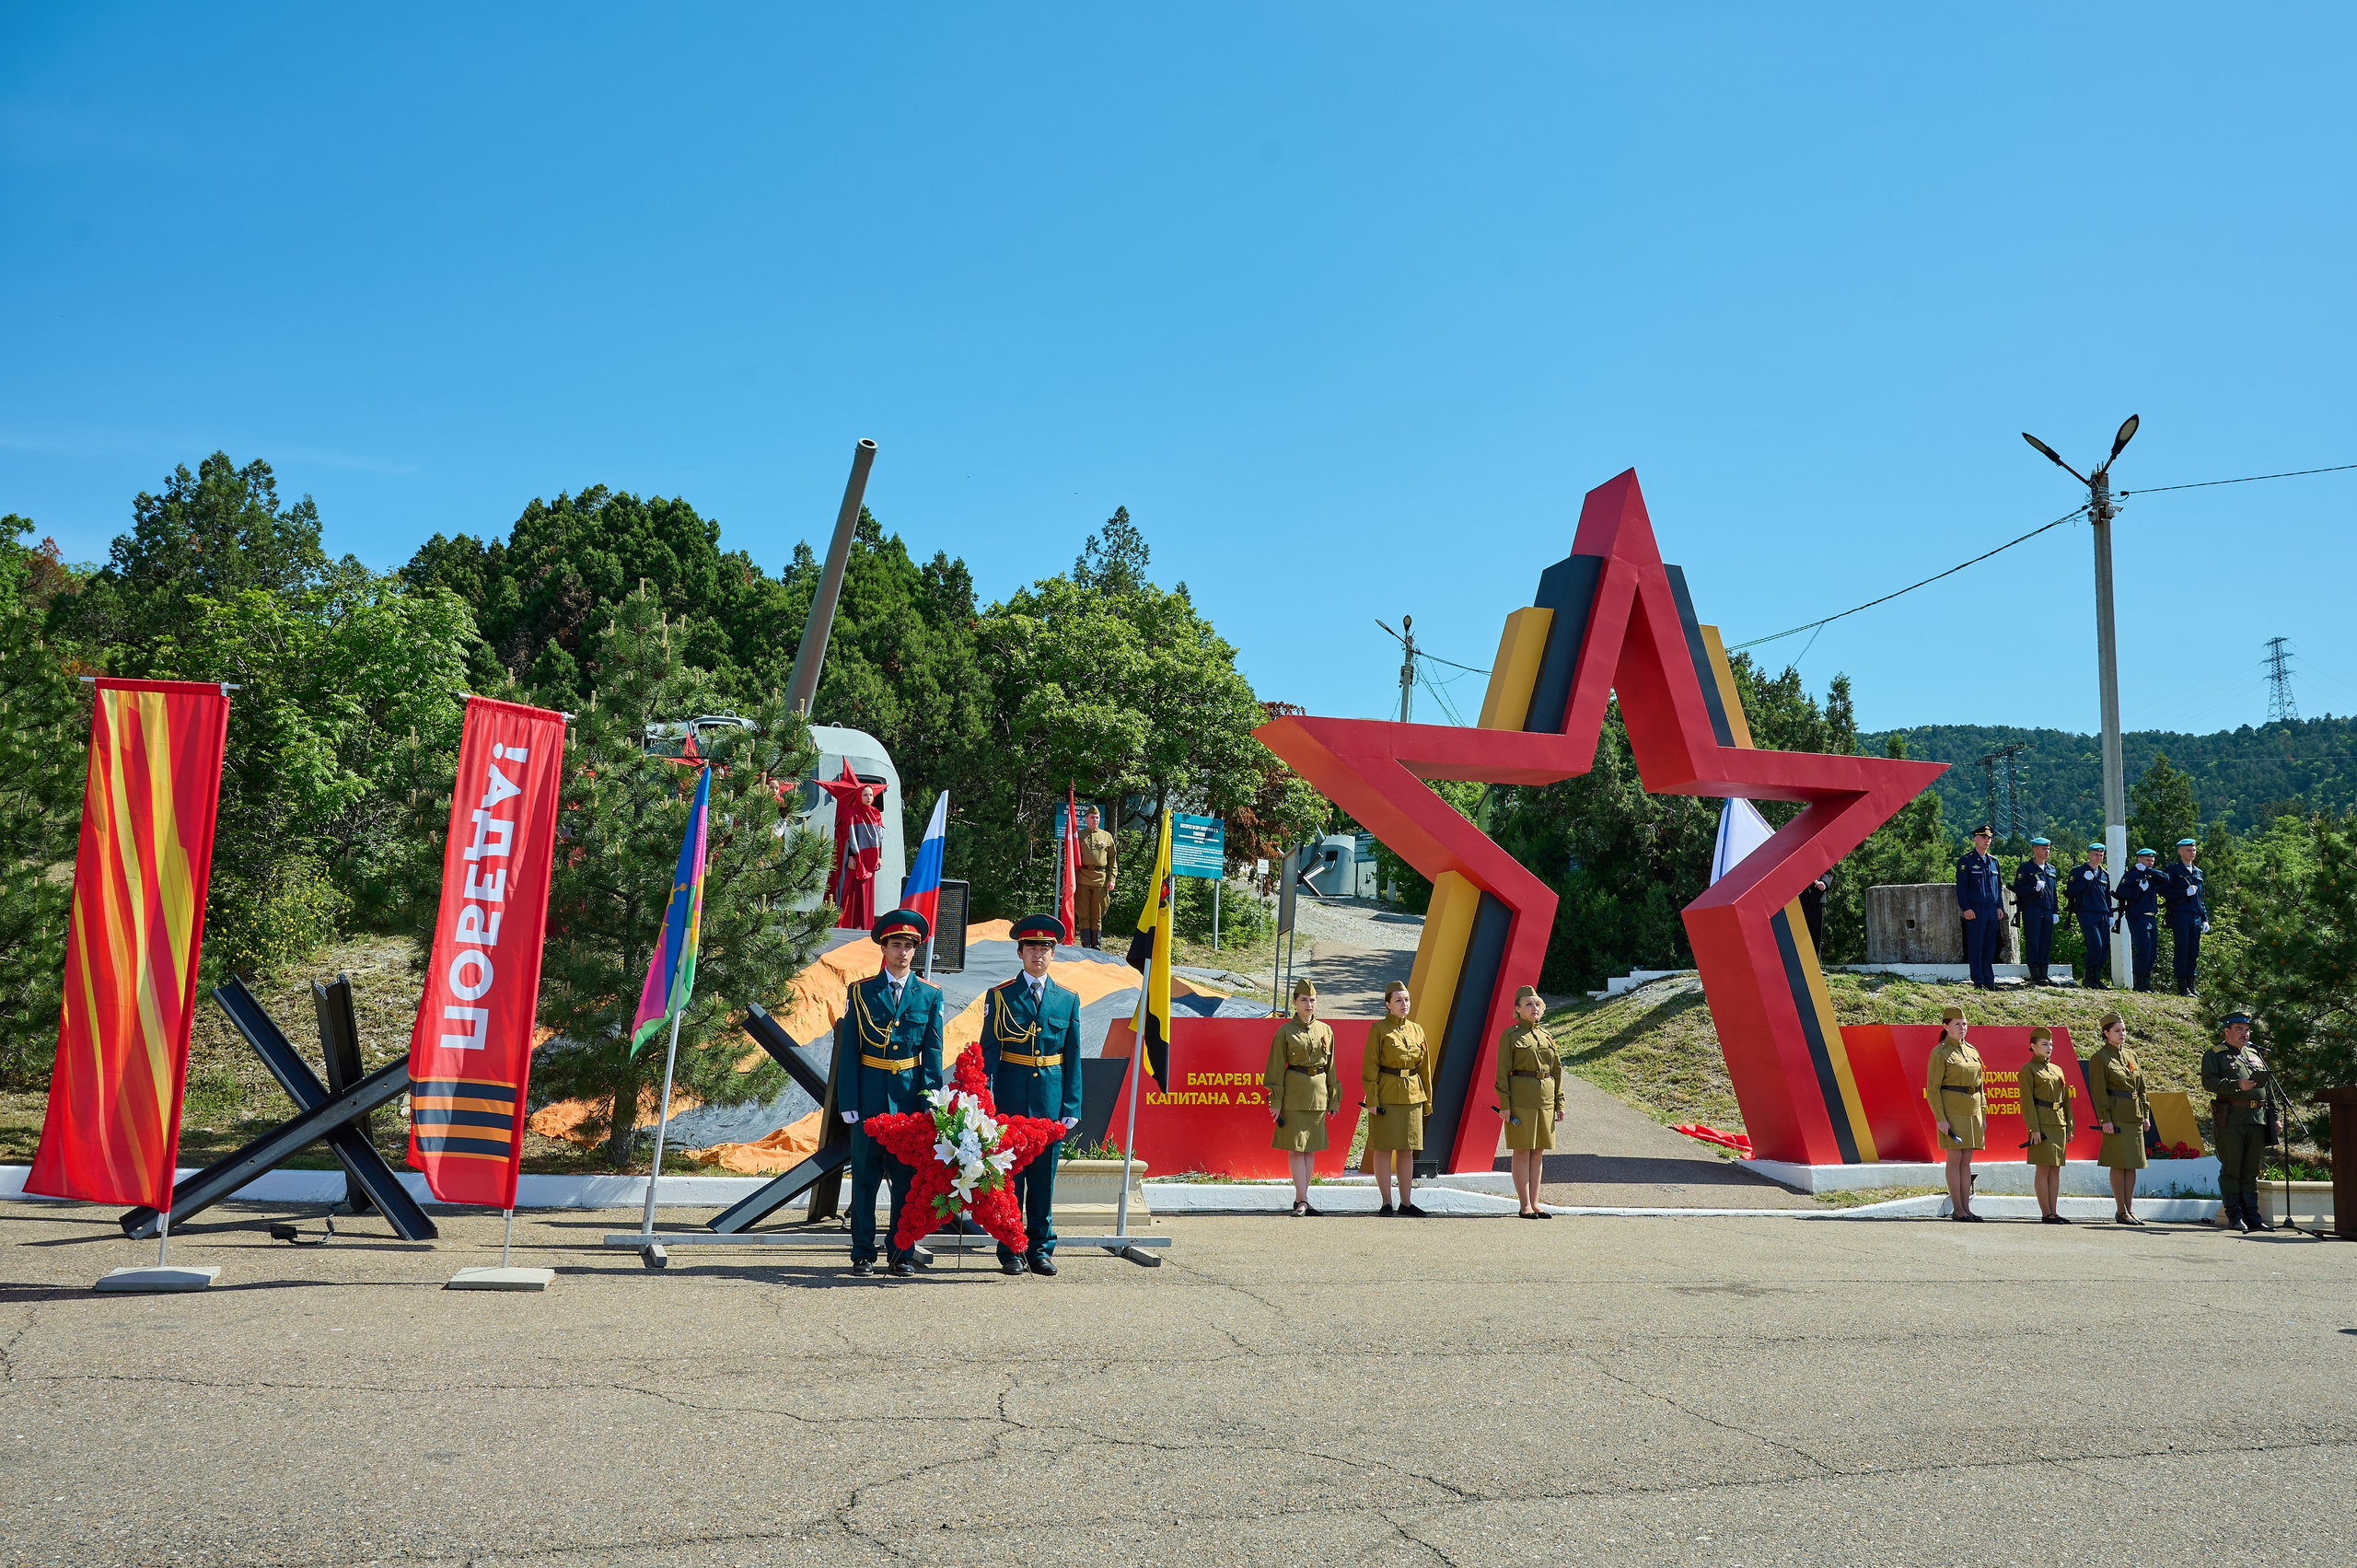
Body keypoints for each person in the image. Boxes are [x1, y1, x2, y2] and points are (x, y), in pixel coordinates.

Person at [833, 908, 946, 1275]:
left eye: (909, 946)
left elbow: (932, 1053)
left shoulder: (929, 994)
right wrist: (849, 1100)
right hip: (869, 1098)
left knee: (906, 1182)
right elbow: (850, 1052)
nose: (902, 952)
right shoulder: (862, 991)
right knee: (864, 1179)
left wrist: (931, 1101)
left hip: (909, 1100)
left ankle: (901, 1252)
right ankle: (863, 1252)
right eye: (896, 945)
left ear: (916, 950)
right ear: (883, 948)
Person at [983, 914, 1085, 1274]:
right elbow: (989, 1051)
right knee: (1009, 1178)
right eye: (1031, 948)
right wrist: (984, 1101)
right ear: (1020, 952)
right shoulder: (1000, 996)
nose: (1038, 955)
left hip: (1049, 1099)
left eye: (1045, 948)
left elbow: (1073, 1054)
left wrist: (1071, 1103)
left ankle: (1040, 1249)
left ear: (1053, 953)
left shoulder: (1067, 999)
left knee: (1043, 1179)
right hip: (1010, 1098)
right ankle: (1010, 1247)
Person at [1264, 977, 1341, 1216]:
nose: (1309, 1004)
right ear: (1295, 1002)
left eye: (1313, 1000)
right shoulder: (1284, 1031)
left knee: (1310, 1149)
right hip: (1294, 1095)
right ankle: (1304, 1200)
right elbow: (1275, 1068)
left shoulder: (1325, 1030)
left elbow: (1331, 1067)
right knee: (1297, 1148)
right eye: (1304, 1000)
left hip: (1318, 1094)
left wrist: (1334, 1098)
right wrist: (1276, 1101)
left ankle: (1301, 1199)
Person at [1362, 980, 1434, 1217]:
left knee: (1407, 1150)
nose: (1404, 1004)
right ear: (1388, 1005)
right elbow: (1370, 1067)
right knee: (1383, 1149)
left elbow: (1424, 1068)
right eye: (1398, 1000)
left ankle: (1406, 1203)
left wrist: (1428, 1101)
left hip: (1412, 1095)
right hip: (1386, 1094)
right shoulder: (1379, 1030)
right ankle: (1386, 1202)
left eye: (1407, 999)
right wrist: (1372, 1099)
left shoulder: (1417, 1030)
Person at [1495, 985, 1564, 1219]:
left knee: (1538, 1152)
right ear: (1517, 1009)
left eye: (1537, 1004)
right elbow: (1502, 1072)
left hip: (1545, 1099)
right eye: (1528, 1004)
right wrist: (1505, 1104)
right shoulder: (1510, 1036)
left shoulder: (1547, 1036)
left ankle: (1535, 1203)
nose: (1534, 1008)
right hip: (1521, 1099)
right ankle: (1524, 1204)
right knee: (1522, 1150)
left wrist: (1559, 1102)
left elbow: (1557, 1071)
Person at [2200, 1007, 2272, 1233]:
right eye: (2239, 1029)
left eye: (2247, 1030)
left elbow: (2268, 1088)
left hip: (2256, 1119)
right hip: (2231, 1119)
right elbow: (2208, 1082)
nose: (2245, 1034)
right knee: (2232, 1168)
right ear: (2226, 1031)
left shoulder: (2254, 1055)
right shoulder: (2215, 1054)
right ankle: (2234, 1216)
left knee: (2251, 1169)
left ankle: (2253, 1216)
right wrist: (2235, 1085)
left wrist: (2275, 1117)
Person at [2086, 1011, 2149, 1225]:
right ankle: (2120, 1210)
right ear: (2106, 1033)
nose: (2122, 1034)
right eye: (2117, 1031)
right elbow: (2099, 1092)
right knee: (2119, 1163)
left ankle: (2130, 1209)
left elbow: (2141, 1088)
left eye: (2124, 1030)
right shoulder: (2100, 1058)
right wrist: (2105, 1119)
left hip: (2134, 1115)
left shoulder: (2131, 1055)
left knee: (2132, 1164)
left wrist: (2145, 1114)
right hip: (2116, 1115)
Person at [1925, 1005, 1985, 1222]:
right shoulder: (1940, 1052)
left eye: (1964, 1024)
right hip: (1952, 1111)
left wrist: (1982, 1113)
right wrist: (1940, 1118)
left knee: (1966, 1160)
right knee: (1955, 1158)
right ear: (1946, 1027)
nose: (1962, 1028)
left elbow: (1980, 1085)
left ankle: (1966, 1208)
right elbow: (1933, 1089)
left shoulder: (1972, 1050)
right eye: (1957, 1024)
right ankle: (1958, 1209)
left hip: (1972, 1111)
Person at [816, 764, 887, 931]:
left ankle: (864, 925)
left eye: (871, 795)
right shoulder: (851, 813)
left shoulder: (876, 814)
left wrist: (879, 857)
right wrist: (850, 856)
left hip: (870, 860)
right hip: (855, 859)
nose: (868, 797)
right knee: (850, 891)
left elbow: (879, 838)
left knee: (865, 894)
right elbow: (848, 836)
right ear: (859, 795)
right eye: (865, 794)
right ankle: (847, 923)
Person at [2019, 1026, 2075, 1224]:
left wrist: (2069, 1126)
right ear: (2033, 1046)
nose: (2049, 1047)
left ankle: (2054, 1211)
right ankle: (2046, 1213)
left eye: (2050, 1044)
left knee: (2055, 1169)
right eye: (2044, 1044)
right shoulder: (2028, 1069)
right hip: (2042, 1125)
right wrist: (2033, 1129)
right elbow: (2027, 1103)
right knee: (2043, 1169)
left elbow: (2066, 1100)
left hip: (2058, 1124)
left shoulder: (2057, 1069)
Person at [1956, 825, 2004, 990]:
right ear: (1975, 839)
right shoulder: (1966, 861)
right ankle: (1978, 980)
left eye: (1989, 838)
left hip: (1991, 910)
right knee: (1976, 945)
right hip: (1976, 909)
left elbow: (1998, 887)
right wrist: (1966, 908)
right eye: (1983, 837)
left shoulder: (1994, 861)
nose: (1987, 840)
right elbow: (1962, 887)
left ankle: (1989, 981)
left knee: (1990, 946)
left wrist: (1999, 906)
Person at [2113, 848, 2165, 993]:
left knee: (2152, 952)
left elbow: (2166, 879)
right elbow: (2120, 892)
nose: (2150, 863)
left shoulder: (2152, 874)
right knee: (2144, 949)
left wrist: (2148, 871)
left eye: (2152, 860)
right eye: (2147, 860)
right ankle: (2139, 982)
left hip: (2151, 917)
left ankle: (2146, 981)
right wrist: (2139, 890)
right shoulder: (2132, 875)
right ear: (2139, 860)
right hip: (2137, 916)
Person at [2010, 839, 2060, 986]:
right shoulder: (2025, 868)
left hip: (2047, 909)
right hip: (2032, 908)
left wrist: (2055, 911)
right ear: (2035, 850)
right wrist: (2033, 889)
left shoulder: (2051, 869)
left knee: (2046, 942)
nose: (2047, 851)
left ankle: (2044, 973)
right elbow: (2018, 888)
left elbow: (2053, 892)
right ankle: (2035, 974)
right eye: (2044, 848)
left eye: (2048, 848)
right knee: (2033, 941)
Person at [2164, 838, 2210, 996]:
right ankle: (2182, 986)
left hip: (2195, 915)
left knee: (2193, 951)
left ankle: (2192, 984)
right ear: (2180, 851)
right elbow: (2165, 892)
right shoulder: (2173, 870)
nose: (2192, 853)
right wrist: (2184, 893)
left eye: (2194, 850)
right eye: (2189, 850)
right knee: (2182, 949)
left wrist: (2204, 918)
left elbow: (2200, 898)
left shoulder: (2198, 872)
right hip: (2180, 913)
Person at [2064, 843, 2112, 989]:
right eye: (2096, 854)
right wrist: (2084, 880)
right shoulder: (2078, 872)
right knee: (2095, 945)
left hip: (2102, 914)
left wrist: (2110, 914)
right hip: (2086, 912)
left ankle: (2096, 977)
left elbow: (2107, 897)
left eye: (2101, 855)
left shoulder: (2104, 874)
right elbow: (2070, 891)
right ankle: (2088, 978)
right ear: (2089, 855)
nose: (2099, 857)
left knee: (2104, 947)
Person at [1073, 806, 1118, 950]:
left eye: (1097, 817)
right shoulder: (1078, 835)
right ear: (1086, 819)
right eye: (1092, 817)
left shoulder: (1106, 836)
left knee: (1097, 914)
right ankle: (1085, 944)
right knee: (1083, 913)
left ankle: (1096, 946)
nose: (1095, 820)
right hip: (1082, 878)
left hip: (1100, 879)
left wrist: (1112, 879)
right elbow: (1072, 858)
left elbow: (1112, 860)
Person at [1799, 869, 1832, 956]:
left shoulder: (1819, 858)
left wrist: (1824, 882)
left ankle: (1814, 962)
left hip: (1818, 898)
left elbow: (1828, 872)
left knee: (1815, 936)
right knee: (1798, 935)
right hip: (1799, 899)